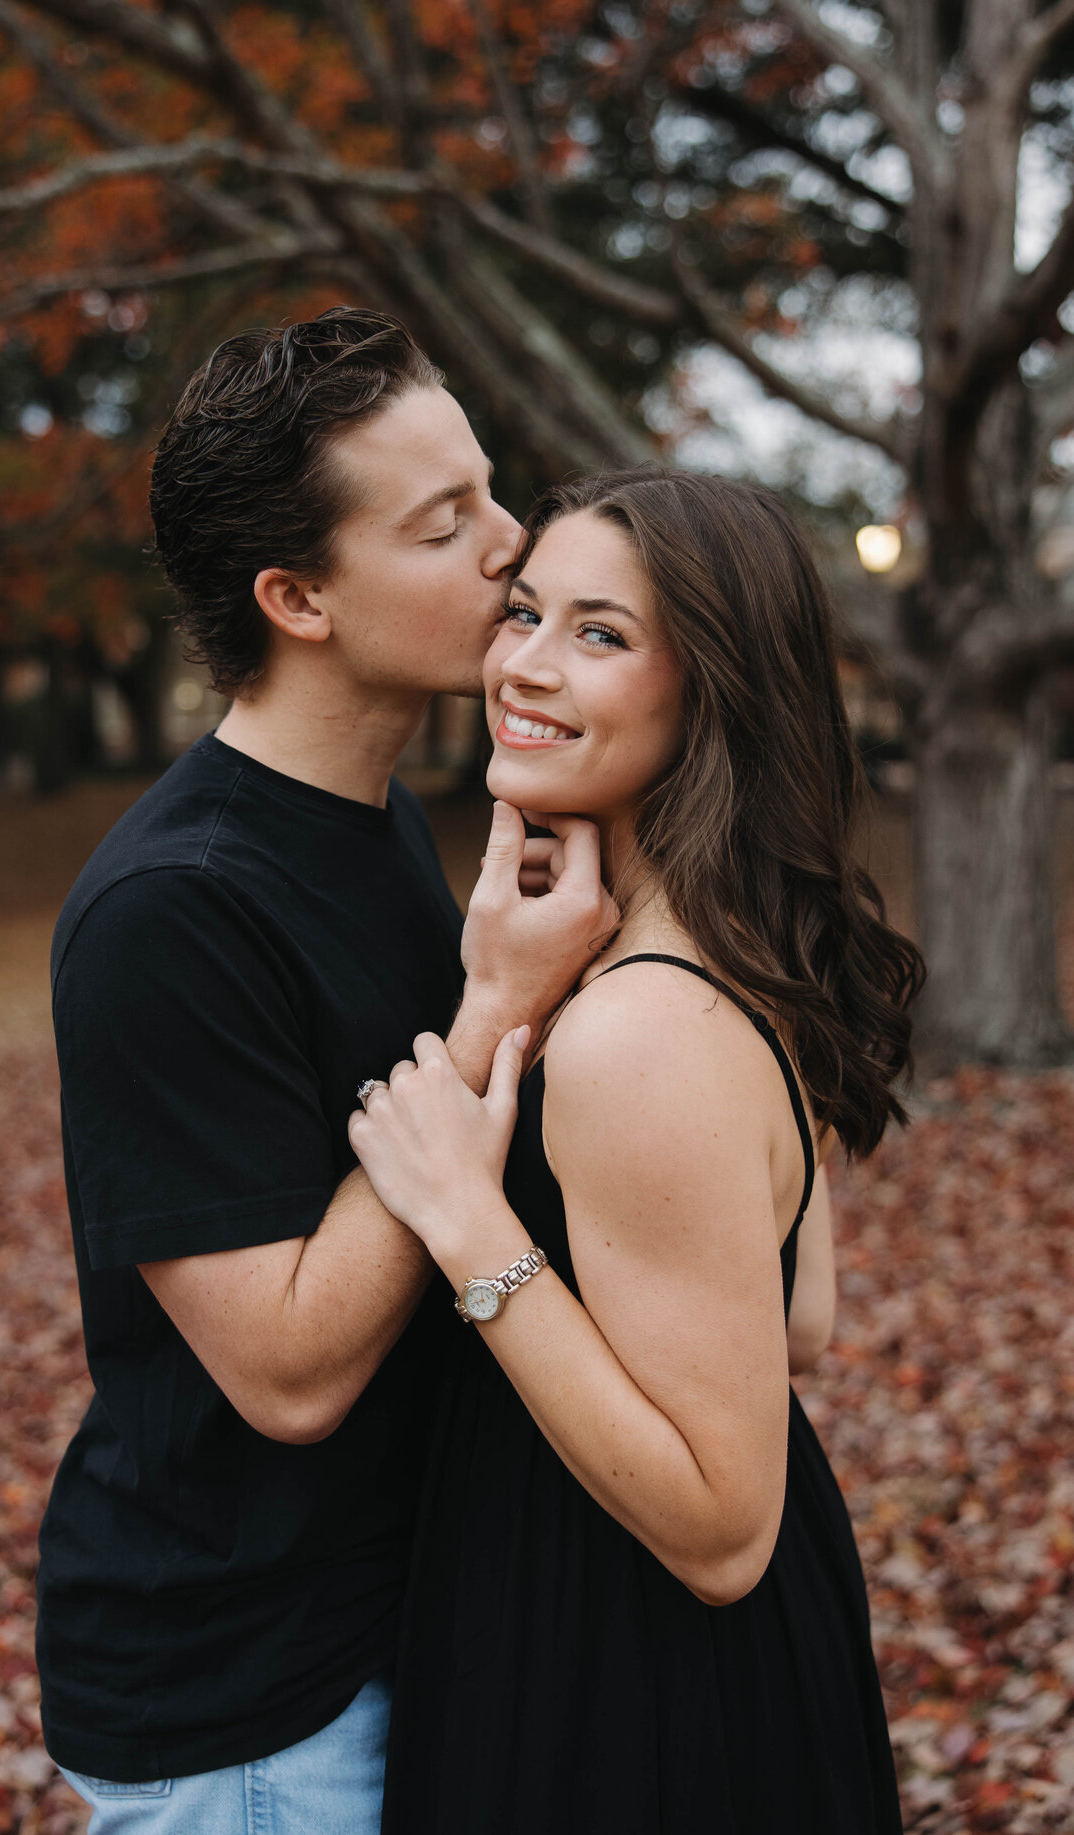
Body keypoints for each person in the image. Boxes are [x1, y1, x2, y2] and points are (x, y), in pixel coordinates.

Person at [37, 308, 615, 1834]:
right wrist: (492, 1008)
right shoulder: (169, 912)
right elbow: (286, 1372)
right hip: (250, 1713)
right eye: (444, 524)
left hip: (395, 1630)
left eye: (488, 490)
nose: (511, 543)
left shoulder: (376, 815)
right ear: (297, 598)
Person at [348, 466, 925, 1835]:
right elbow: (798, 1320)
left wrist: (467, 1224)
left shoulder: (641, 1030)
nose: (525, 665)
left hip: (624, 1671)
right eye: (526, 612)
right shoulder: (734, 954)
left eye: (599, 633)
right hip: (686, 1651)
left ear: (713, 691)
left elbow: (724, 1533)